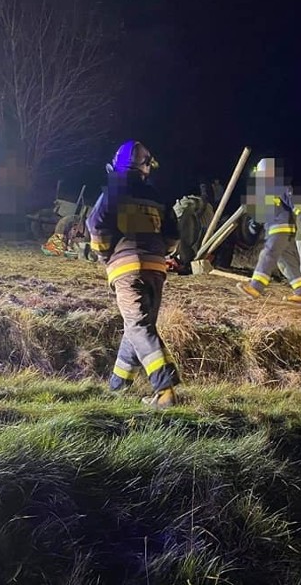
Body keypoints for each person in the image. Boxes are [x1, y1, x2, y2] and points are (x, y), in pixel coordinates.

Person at [86, 140, 182, 409]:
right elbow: (173, 236)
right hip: (156, 270)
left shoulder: (114, 191)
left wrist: (105, 255)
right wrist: (159, 252)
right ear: (145, 166)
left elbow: (95, 226)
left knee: (138, 327)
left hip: (126, 269)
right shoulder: (156, 195)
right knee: (137, 326)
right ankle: (118, 387)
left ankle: (165, 390)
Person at [236, 157, 301, 304]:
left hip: (281, 229)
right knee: (286, 262)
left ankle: (256, 287)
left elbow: (297, 204)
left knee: (268, 254)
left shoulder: (280, 187)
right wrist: (253, 225)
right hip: (274, 230)